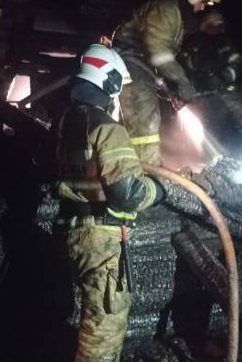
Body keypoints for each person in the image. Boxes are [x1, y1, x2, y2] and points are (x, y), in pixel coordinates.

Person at [55, 43, 164, 361]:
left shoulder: (67, 122)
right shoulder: (107, 128)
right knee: (104, 327)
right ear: (110, 81)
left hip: (73, 232)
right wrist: (159, 190)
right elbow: (128, 195)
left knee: (88, 314)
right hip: (101, 239)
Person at [113, 0, 223, 165]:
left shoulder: (176, 13)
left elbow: (159, 56)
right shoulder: (167, 10)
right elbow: (159, 52)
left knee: (141, 117)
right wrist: (182, 82)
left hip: (137, 65)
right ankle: (145, 170)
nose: (202, 8)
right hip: (130, 62)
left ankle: (135, 167)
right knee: (144, 118)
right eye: (204, 2)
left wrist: (172, 89)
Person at [180, 10, 242, 151]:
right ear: (206, 26)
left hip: (225, 87)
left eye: (221, 26)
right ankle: (221, 154)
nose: (219, 29)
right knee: (212, 125)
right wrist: (196, 66)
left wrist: (225, 76)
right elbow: (183, 66)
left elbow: (236, 62)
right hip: (202, 93)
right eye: (215, 26)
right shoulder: (192, 43)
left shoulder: (225, 42)